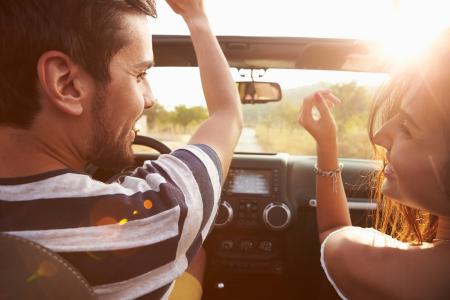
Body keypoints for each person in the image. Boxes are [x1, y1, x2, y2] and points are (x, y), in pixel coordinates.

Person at [0, 0, 243, 299]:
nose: (150, 98)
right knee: (197, 255)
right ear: (67, 84)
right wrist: (197, 17)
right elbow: (227, 116)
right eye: (139, 75)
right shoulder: (155, 217)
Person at [297, 32, 450, 299]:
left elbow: (334, 234)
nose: (379, 136)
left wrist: (327, 143)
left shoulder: (397, 274)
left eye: (407, 128)